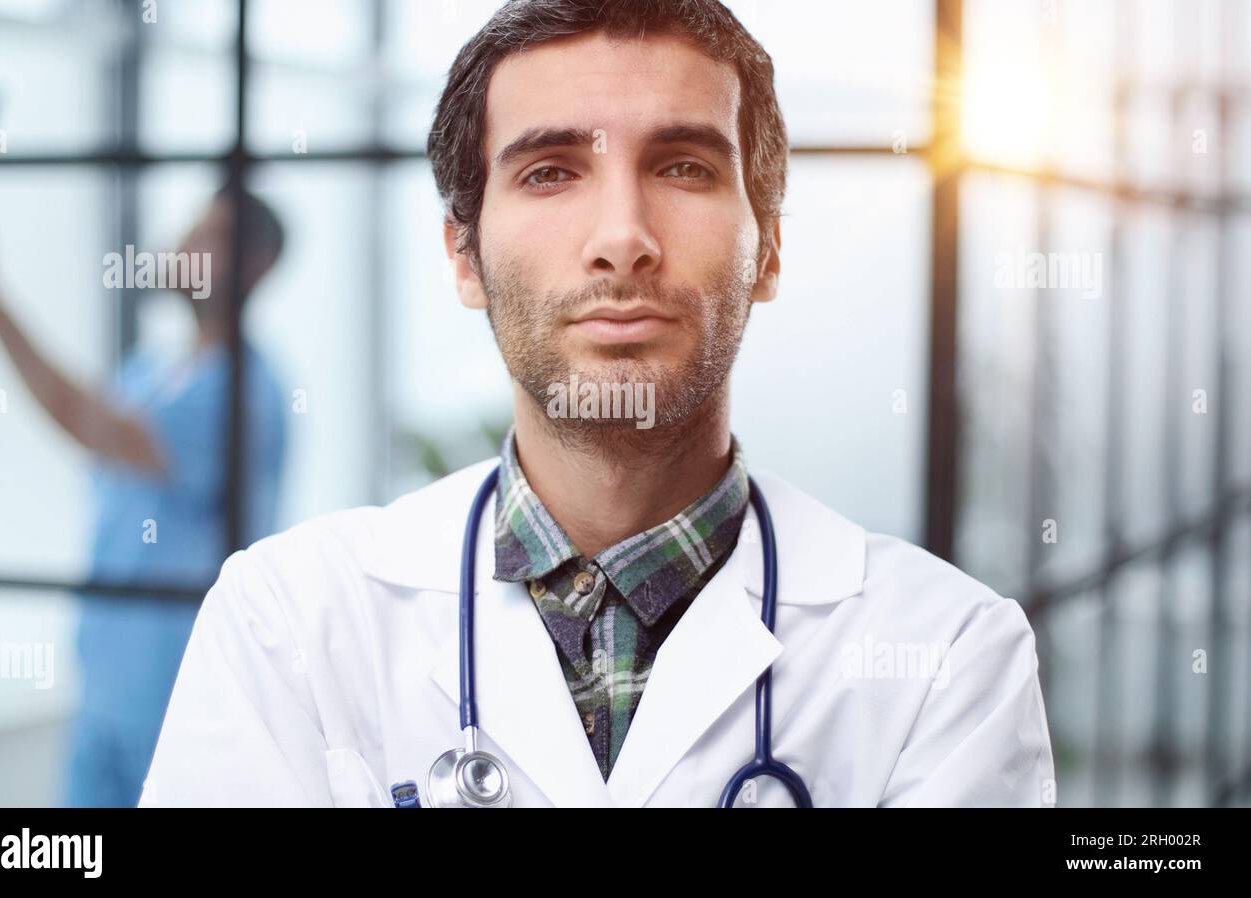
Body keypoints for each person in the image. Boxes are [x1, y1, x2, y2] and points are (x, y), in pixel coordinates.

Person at [141, 0, 1055, 808]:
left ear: (768, 249)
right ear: (464, 256)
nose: (623, 239)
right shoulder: (289, 622)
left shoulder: (944, 656)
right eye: (550, 171)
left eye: (684, 167)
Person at [0, 184, 289, 807]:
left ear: (253, 265)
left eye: (208, 237)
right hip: (107, 683)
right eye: (190, 227)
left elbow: (84, 420)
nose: (185, 244)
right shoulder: (152, 370)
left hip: (173, 692)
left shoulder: (242, 392)